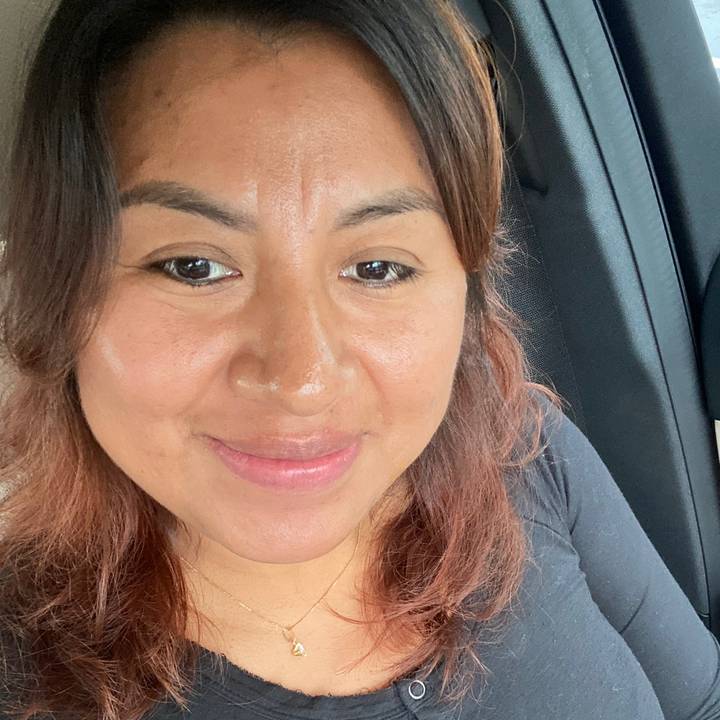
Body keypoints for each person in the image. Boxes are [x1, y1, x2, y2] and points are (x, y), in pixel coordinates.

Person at [0, 1, 718, 718]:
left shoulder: (525, 452)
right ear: (57, 292)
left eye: (377, 268)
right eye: (194, 267)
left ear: (466, 294)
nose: (303, 381)